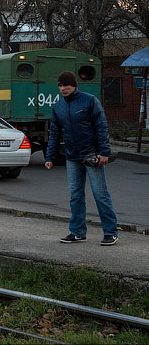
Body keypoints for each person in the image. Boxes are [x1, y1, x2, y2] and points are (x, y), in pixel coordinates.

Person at [46, 70, 119, 246]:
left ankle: (111, 232)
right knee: (76, 195)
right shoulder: (59, 107)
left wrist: (104, 152)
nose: (63, 88)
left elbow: (101, 127)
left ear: (74, 85)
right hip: (72, 157)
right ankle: (77, 232)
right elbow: (54, 133)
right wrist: (50, 156)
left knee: (100, 194)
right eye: (60, 86)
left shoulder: (89, 101)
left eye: (66, 85)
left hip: (92, 155)